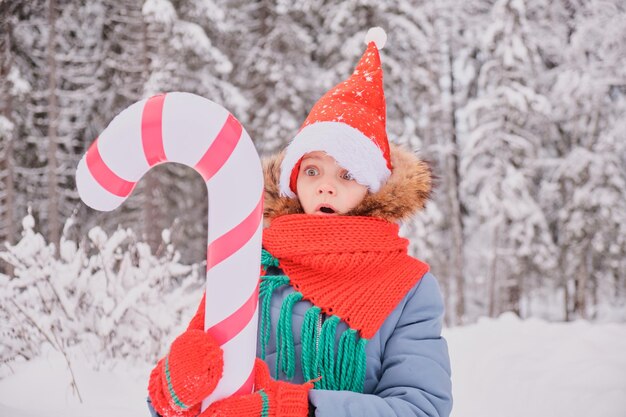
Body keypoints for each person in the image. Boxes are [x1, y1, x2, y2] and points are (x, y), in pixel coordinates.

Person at [147, 27, 453, 417]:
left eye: (347, 175)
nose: (326, 186)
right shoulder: (250, 263)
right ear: (293, 179)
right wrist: (173, 389)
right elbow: (186, 395)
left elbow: (421, 408)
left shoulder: (409, 287)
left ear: (373, 189)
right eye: (312, 171)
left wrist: (297, 410)